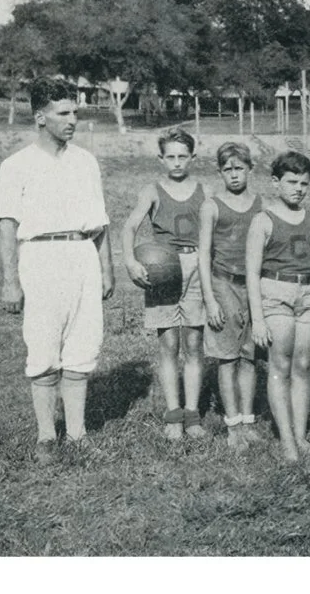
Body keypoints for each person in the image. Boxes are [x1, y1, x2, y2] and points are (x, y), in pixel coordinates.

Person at [0, 77, 114, 464]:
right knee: (44, 349)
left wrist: (106, 270)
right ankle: (47, 436)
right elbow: (7, 225)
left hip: (81, 256)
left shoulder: (85, 161)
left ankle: (77, 435)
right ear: (41, 117)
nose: (73, 119)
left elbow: (101, 222)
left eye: (75, 112)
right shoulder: (17, 166)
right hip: (41, 260)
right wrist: (10, 280)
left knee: (82, 348)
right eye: (64, 113)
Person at [121, 128, 208, 441]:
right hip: (163, 269)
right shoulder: (153, 191)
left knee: (195, 344)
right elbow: (129, 227)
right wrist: (131, 261)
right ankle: (174, 414)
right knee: (169, 344)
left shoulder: (204, 190)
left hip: (198, 267)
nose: (176, 162)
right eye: (170, 156)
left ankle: (193, 414)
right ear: (161, 159)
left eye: (182, 156)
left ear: (192, 158)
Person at [247, 151, 310, 463]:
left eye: (304, 183)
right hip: (275, 294)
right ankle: (287, 442)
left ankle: (301, 437)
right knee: (280, 365)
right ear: (275, 182)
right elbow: (251, 273)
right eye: (291, 182)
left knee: (302, 366)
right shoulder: (263, 221)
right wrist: (258, 319)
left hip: (309, 293)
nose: (298, 188)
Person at [198, 142, 265, 453]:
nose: (235, 175)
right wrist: (210, 300)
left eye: (240, 168)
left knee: (250, 355)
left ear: (250, 169)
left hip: (253, 286)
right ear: (220, 172)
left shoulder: (260, 205)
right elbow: (203, 256)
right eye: (228, 169)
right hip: (223, 284)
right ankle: (233, 424)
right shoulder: (212, 206)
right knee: (228, 357)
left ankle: (249, 420)